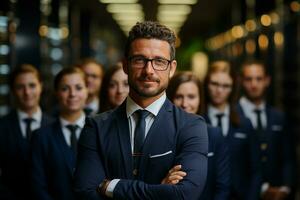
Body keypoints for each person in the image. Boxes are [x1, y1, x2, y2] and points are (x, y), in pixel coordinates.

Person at [73, 21, 208, 199]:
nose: (148, 70)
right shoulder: (96, 127)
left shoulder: (191, 126)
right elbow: (85, 193)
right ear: (125, 65)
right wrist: (160, 190)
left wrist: (112, 186)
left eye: (159, 61)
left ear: (172, 68)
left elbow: (184, 194)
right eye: (139, 60)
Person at [167, 71, 230, 200]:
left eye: (191, 97)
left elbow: (223, 186)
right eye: (179, 96)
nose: (185, 104)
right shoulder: (160, 135)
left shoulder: (214, 134)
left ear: (200, 99)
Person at [238, 60, 296, 200]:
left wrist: (286, 188)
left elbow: (288, 157)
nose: (254, 84)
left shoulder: (278, 117)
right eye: (248, 79)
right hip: (244, 194)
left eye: (259, 79)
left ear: (267, 81)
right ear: (240, 81)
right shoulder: (233, 116)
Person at [203, 60, 261, 200]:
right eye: (214, 84)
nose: (219, 90)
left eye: (226, 86)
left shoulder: (244, 124)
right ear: (206, 84)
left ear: (233, 88)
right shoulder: (198, 121)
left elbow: (256, 170)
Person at [31, 67, 88, 200]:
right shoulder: (41, 137)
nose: (72, 94)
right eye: (65, 88)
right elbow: (38, 186)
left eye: (79, 88)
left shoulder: (101, 131)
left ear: (87, 91)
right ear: (57, 93)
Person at [0, 64, 53, 200]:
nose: (27, 92)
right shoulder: (2, 126)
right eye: (20, 87)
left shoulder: (55, 125)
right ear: (12, 90)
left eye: (32, 85)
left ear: (41, 86)